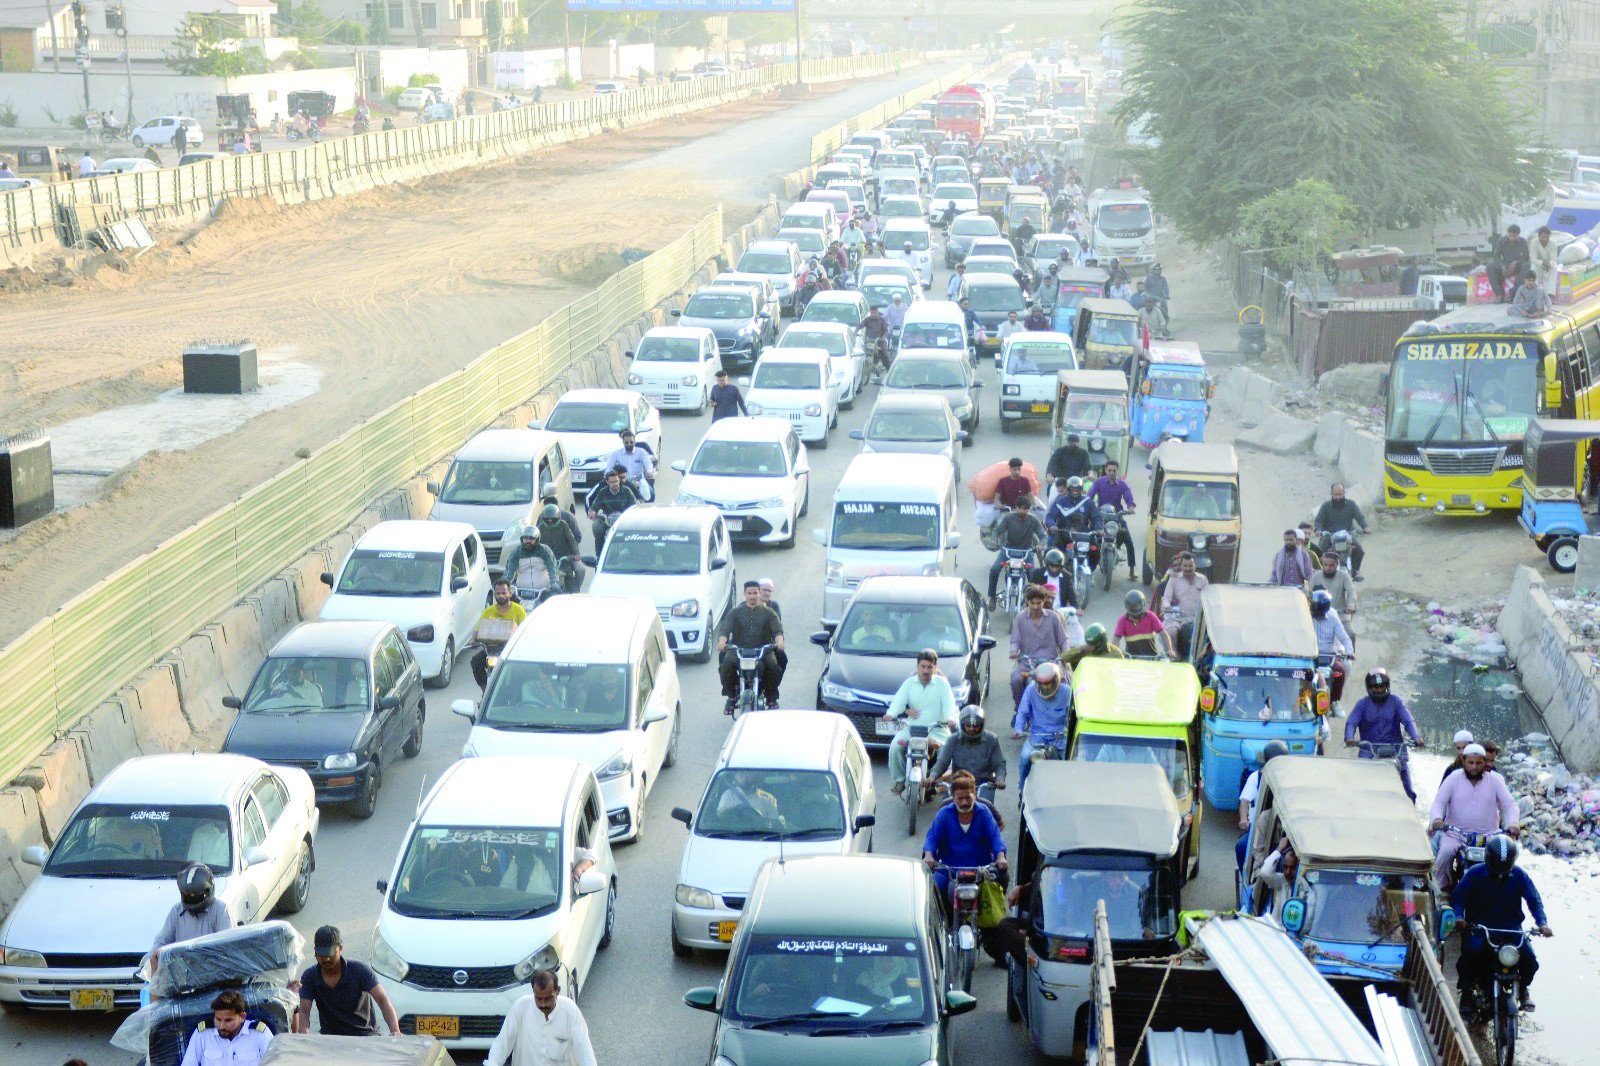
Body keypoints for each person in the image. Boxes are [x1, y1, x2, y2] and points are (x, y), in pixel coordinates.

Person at [1452, 835, 1552, 1017]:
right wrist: (1459, 917)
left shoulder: (1519, 875)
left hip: (1511, 928)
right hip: (1480, 929)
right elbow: (1458, 898)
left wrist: (1542, 923)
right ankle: (1466, 995)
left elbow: (1534, 901)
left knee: (1530, 959)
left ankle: (1523, 989)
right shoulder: (1475, 874)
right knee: (1469, 956)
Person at [1431, 743, 1521, 887]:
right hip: (1456, 834)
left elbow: (1510, 805)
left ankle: (1503, 890)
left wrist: (1513, 824)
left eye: (1478, 763)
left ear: (1484, 762)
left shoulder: (1495, 781)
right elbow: (1438, 803)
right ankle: (1443, 892)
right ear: (1463, 761)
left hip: (1489, 835)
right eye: (1470, 763)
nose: (1474, 767)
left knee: (1508, 856)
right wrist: (1437, 819)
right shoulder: (1453, 778)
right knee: (1445, 855)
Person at [922, 770, 1008, 910]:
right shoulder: (944, 814)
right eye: (959, 798)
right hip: (950, 871)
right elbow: (932, 838)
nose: (964, 802)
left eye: (968, 797)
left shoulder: (984, 812)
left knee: (1002, 880)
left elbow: (995, 837)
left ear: (974, 794)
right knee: (931, 890)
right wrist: (929, 855)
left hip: (980, 870)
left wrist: (1000, 857)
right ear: (953, 797)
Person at [294, 925, 401, 1036]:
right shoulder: (310, 976)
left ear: (340, 949)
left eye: (330, 954)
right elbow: (304, 1012)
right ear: (315, 951)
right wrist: (304, 1037)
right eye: (321, 954)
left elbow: (383, 1001)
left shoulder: (361, 970)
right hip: (331, 1038)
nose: (326, 959)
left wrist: (395, 1031)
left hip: (365, 1035)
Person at [881, 649, 958, 795]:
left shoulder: (942, 684)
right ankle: (899, 781)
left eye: (929, 667)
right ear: (917, 667)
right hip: (911, 729)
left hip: (937, 730)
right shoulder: (909, 683)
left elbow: (949, 703)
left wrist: (950, 718)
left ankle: (940, 782)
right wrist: (890, 714)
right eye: (923, 667)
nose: (926, 670)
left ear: (935, 668)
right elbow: (899, 701)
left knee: (947, 753)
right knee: (895, 748)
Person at [485, 969, 598, 1066]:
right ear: (533, 992)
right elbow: (503, 1042)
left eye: (548, 998)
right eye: (538, 998)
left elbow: (583, 1047)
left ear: (557, 991)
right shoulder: (520, 1007)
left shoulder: (569, 1009)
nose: (543, 1004)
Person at [1343, 668, 1422, 798]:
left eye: (1382, 686)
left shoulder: (1396, 702)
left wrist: (1416, 737)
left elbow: (1408, 721)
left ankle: (1410, 809)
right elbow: (1351, 722)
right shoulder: (1362, 704)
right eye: (1375, 687)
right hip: (1369, 749)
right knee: (1358, 788)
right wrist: (1349, 737)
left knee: (1408, 791)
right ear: (1369, 687)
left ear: (1387, 686)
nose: (1379, 689)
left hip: (1396, 749)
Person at [151, 864, 233, 973]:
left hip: (213, 974)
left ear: (208, 891)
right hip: (182, 975)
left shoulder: (220, 909)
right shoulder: (177, 911)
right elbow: (161, 941)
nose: (192, 899)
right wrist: (152, 958)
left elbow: (227, 946)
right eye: (188, 895)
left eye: (196, 895)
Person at [716, 581, 784, 713]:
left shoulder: (769, 612)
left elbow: (777, 631)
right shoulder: (735, 612)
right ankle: (731, 696)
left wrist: (779, 641)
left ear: (760, 593)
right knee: (725, 667)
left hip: (763, 650)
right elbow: (725, 629)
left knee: (774, 667)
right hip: (738, 649)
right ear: (744, 594)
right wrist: (722, 641)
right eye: (749, 593)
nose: (752, 596)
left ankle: (771, 697)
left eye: (755, 593)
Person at [1012, 660, 1071, 793]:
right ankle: (1022, 791)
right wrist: (1018, 729)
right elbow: (1023, 711)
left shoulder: (1067, 691)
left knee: (1071, 762)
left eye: (1048, 683)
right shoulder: (1031, 690)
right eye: (1042, 684)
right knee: (1024, 759)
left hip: (1060, 738)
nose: (1046, 687)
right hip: (1036, 738)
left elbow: (1072, 715)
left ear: (1056, 680)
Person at [1010, 584, 1069, 703]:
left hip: (1051, 661)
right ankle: (1020, 708)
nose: (1036, 607)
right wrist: (1013, 651)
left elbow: (1064, 640)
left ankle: (1064, 712)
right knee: (1016, 680)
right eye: (1033, 603)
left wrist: (1066, 654)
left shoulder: (1053, 617)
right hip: (1027, 662)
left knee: (1065, 683)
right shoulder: (1020, 618)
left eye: (1039, 603)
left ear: (1043, 602)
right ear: (1028, 603)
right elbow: (1015, 640)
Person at [1235, 738, 1289, 869]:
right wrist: (1243, 819)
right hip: (1259, 826)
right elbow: (1244, 801)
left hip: (1285, 825)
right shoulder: (1256, 777)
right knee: (1241, 847)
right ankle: (1247, 883)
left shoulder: (1290, 777)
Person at [180, 990, 272, 1066]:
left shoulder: (260, 1034)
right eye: (218, 1019)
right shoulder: (203, 1034)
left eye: (228, 1020)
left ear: (242, 1017)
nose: (221, 1026)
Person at [931, 706, 1007, 797]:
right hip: (959, 782)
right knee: (944, 809)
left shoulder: (992, 739)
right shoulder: (953, 739)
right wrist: (932, 777)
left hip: (983, 784)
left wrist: (1000, 779)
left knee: (987, 809)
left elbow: (999, 763)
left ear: (982, 725)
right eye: (968, 726)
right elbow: (942, 762)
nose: (972, 729)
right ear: (962, 725)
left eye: (976, 726)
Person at [987, 493, 1046, 607]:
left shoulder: (1033, 520)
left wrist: (1040, 544)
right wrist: (994, 540)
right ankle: (992, 597)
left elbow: (1043, 536)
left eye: (1026, 509)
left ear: (1029, 509)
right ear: (1016, 507)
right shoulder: (1008, 518)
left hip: (1026, 551)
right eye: (1021, 508)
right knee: (994, 570)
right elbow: (997, 531)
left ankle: (1035, 601)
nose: (1023, 511)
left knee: (1033, 575)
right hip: (1008, 550)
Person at [470, 580, 527, 690]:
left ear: (509, 593)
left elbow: (525, 630)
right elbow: (478, 628)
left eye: (504, 593)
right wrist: (473, 640)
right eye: (498, 593)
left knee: (520, 670)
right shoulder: (488, 611)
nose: (501, 595)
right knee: (475, 662)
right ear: (495, 594)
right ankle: (485, 691)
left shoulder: (519, 610)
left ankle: (517, 693)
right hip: (492, 650)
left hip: (511, 651)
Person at [1087, 461, 1137, 580]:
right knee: (1091, 539)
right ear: (1105, 470)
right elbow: (1090, 495)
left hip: (1117, 516)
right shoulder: (1099, 482)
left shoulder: (1122, 485)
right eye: (1109, 470)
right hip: (1101, 516)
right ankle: (1088, 568)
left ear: (1117, 471)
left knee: (1128, 541)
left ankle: (1132, 569)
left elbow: (1128, 497)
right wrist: (1088, 505)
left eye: (1114, 471)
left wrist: (1130, 508)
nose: (1111, 473)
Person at [1312, 483, 1369, 581]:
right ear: (1331, 493)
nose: (1338, 497)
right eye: (1335, 494)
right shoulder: (1326, 506)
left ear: (1344, 493)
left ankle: (1354, 572)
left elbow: (1360, 517)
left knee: (1359, 550)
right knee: (1320, 551)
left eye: (1340, 494)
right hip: (1329, 535)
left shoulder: (1351, 505)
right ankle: (1320, 572)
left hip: (1348, 534)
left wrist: (1365, 527)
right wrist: (1318, 530)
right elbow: (1318, 521)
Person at [1160, 551, 1206, 656]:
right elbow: (1166, 599)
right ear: (1182, 566)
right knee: (1171, 631)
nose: (1188, 568)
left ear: (1195, 565)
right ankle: (1174, 658)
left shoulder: (1203, 580)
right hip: (1175, 617)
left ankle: (1194, 658)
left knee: (1196, 634)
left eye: (1190, 565)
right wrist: (1167, 606)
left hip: (1195, 618)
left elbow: (1208, 599)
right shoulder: (1174, 579)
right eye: (1185, 566)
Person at [500, 525, 560, 601]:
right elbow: (509, 570)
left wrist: (554, 582)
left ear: (537, 540)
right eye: (525, 538)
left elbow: (552, 567)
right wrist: (504, 584)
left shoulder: (544, 550)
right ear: (522, 539)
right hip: (521, 592)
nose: (528, 541)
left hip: (543, 592)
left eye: (531, 539)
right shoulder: (516, 552)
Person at [584, 466, 638, 550]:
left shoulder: (627, 491)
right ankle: (599, 554)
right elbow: (594, 506)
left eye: (616, 481)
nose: (615, 484)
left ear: (619, 480)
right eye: (612, 482)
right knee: (597, 528)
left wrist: (630, 514)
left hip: (624, 519)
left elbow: (634, 506)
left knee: (635, 531)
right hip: (607, 519)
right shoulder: (603, 492)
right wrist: (592, 511)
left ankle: (633, 551)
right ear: (607, 482)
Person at [536, 503, 584, 591]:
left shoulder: (564, 525)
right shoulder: (539, 529)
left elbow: (572, 541)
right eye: (547, 519)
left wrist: (576, 554)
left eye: (553, 519)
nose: (550, 521)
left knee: (570, 581)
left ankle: (575, 594)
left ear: (558, 517)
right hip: (546, 562)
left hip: (564, 560)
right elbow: (534, 544)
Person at [607, 428, 656, 500]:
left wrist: (649, 471)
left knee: (650, 495)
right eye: (626, 443)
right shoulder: (617, 453)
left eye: (631, 442)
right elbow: (609, 467)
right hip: (623, 481)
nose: (629, 444)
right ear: (623, 442)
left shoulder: (641, 452)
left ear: (635, 441)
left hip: (639, 481)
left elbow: (648, 463)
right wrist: (607, 475)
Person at [1310, 549, 1357, 616]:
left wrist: (1351, 605)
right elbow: (1309, 593)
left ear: (1337, 564)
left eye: (1331, 565)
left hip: (1340, 615)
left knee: (1348, 627)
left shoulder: (1344, 576)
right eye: (1325, 565)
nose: (1328, 568)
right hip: (1320, 616)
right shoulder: (1316, 577)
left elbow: (1351, 590)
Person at [1489, 225, 1529, 302]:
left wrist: (1516, 262)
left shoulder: (1523, 241)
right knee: (1490, 266)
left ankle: (1515, 293)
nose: (1512, 238)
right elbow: (1496, 256)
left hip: (1518, 264)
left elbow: (1526, 257)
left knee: (1526, 265)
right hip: (1505, 264)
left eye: (1514, 236)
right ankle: (1499, 294)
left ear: (1518, 235)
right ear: (1508, 234)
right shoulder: (1501, 240)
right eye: (1510, 235)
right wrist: (1502, 265)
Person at [1530, 225, 1559, 294]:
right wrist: (1542, 263)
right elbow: (1533, 259)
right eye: (1543, 237)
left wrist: (1549, 264)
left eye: (1547, 237)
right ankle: (1534, 292)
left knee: (1554, 268)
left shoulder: (1553, 243)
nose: (1545, 239)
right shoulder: (1534, 242)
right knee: (1533, 268)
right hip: (1538, 264)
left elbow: (1553, 259)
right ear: (1538, 236)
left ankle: (1550, 294)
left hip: (1548, 265)